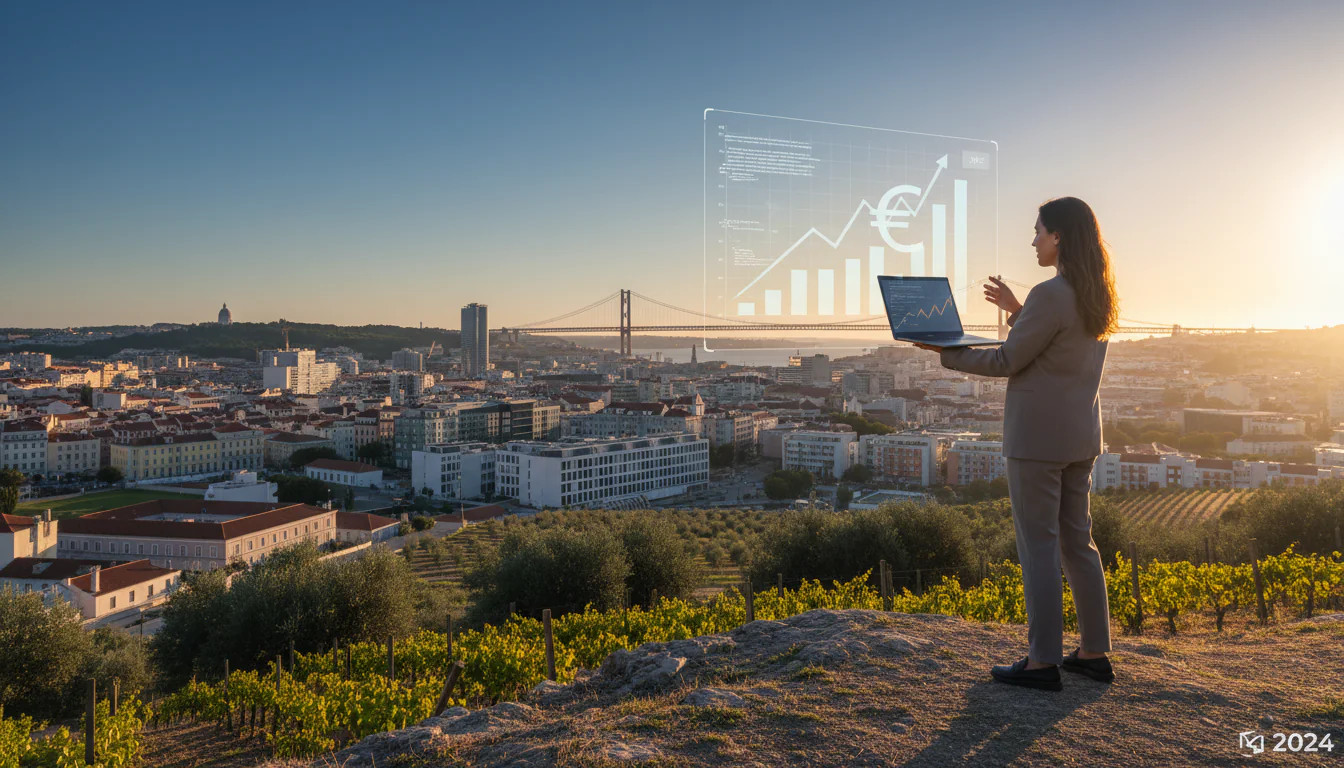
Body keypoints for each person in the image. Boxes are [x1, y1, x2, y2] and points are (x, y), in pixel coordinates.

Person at [912, 196, 1120, 691]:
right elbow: (1058, 340)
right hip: (1080, 437)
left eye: (1038, 232)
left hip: (1036, 442)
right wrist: (1017, 308)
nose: (1033, 240)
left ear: (1059, 237)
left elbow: (1006, 360)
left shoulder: (1051, 295)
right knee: (1078, 543)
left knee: (1039, 549)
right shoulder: (1097, 295)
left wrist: (947, 352)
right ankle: (1094, 652)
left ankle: (1042, 662)